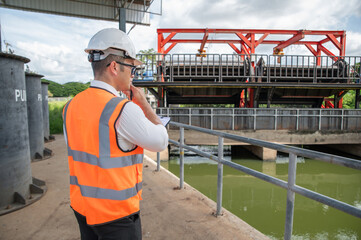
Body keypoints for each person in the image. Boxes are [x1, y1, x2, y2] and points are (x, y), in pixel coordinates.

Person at [62, 28, 168, 240]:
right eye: (131, 68)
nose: (133, 74)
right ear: (114, 67)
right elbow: (161, 141)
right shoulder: (123, 109)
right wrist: (145, 105)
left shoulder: (70, 106)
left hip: (82, 207)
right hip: (116, 215)